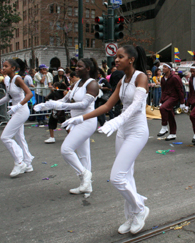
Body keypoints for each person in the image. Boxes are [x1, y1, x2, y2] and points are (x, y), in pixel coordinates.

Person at [62, 45, 150, 235]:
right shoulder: (122, 81)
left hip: (137, 131)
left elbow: (136, 105)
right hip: (122, 132)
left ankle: (140, 209)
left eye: (120, 57)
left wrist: (118, 120)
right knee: (126, 176)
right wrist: (80, 118)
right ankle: (132, 215)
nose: (116, 60)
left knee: (116, 177)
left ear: (131, 60)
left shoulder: (140, 77)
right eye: (115, 57)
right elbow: (107, 106)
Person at [34, 58, 99, 195]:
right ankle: (86, 185)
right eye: (76, 66)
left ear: (88, 68)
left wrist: (61, 106)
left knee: (66, 149)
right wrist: (47, 105)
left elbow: (83, 105)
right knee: (83, 154)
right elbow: (65, 99)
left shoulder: (92, 84)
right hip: (76, 121)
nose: (76, 68)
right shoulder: (76, 84)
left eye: (79, 67)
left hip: (87, 121)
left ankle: (84, 174)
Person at [0, 59, 34, 177]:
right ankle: (28, 163)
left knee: (5, 137)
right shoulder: (7, 80)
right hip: (15, 110)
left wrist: (18, 105)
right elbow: (7, 97)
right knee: (19, 138)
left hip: (21, 111)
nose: (3, 68)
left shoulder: (17, 79)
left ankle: (19, 162)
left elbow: (29, 94)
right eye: (2, 66)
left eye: (6, 66)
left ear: (13, 68)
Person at [157, 63, 185, 140]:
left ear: (169, 68)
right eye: (163, 67)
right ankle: (173, 133)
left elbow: (180, 90)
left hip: (174, 97)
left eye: (165, 67)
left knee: (163, 108)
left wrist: (182, 102)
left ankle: (164, 126)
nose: (163, 69)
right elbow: (163, 91)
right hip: (166, 97)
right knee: (170, 115)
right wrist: (161, 100)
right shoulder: (163, 79)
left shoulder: (175, 77)